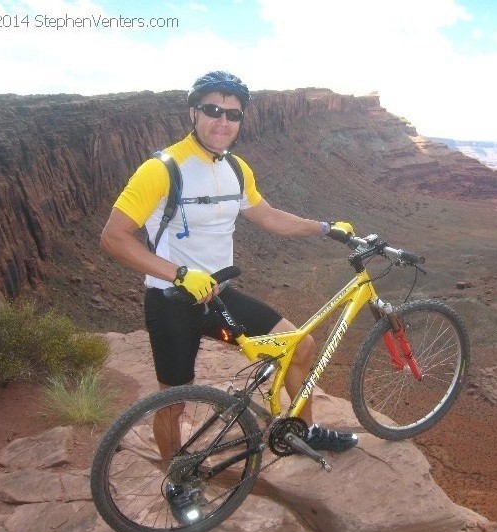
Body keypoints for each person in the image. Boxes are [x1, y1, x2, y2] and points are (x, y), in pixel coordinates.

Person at [100, 70, 358, 463]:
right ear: (193, 113)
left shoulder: (235, 169)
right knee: (173, 401)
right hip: (172, 301)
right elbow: (113, 237)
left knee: (299, 346)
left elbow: (267, 216)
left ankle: (305, 431)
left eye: (233, 115)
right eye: (213, 110)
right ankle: (176, 475)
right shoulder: (162, 169)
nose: (223, 121)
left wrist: (324, 228)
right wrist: (181, 275)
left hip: (220, 295)